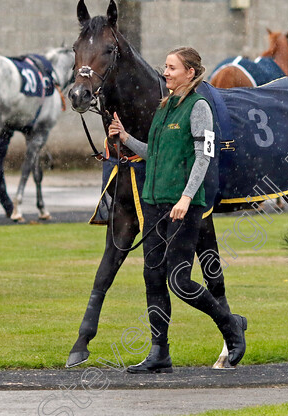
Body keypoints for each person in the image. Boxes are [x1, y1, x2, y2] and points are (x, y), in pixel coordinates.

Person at [108, 47, 247, 373]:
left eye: (172, 68)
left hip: (185, 206)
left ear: (189, 72)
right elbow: (153, 154)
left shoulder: (199, 107)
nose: (166, 72)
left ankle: (231, 325)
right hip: (155, 204)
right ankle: (160, 354)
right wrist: (125, 137)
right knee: (152, 277)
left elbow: (204, 157)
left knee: (179, 279)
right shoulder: (165, 107)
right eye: (166, 67)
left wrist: (186, 197)